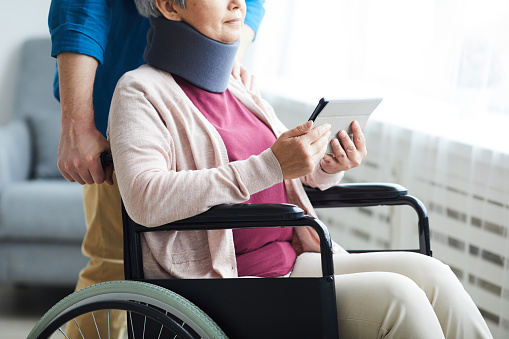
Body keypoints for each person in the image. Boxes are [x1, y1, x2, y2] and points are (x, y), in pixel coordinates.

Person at [108, 0, 493, 338]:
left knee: (433, 275)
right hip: (232, 282)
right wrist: (270, 165)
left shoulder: (238, 86)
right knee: (401, 298)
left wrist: (325, 168)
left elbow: (283, 175)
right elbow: (146, 199)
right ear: (170, 5)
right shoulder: (140, 91)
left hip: (295, 261)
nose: (238, 3)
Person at [48, 0, 265, 338]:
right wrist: (77, 124)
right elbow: (81, 7)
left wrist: (226, 55)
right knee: (116, 265)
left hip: (207, 108)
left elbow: (249, 5)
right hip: (124, 114)